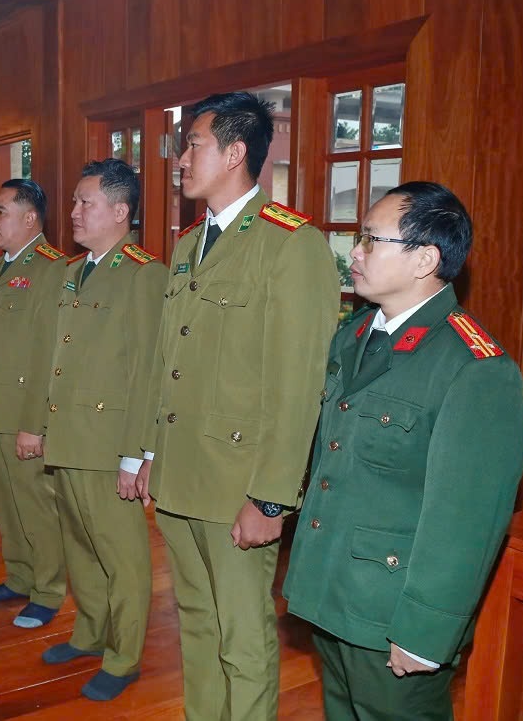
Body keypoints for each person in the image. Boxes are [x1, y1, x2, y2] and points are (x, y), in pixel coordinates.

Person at [283, 182, 523, 720]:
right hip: (334, 590)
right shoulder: (357, 335)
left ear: (425, 259)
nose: (357, 253)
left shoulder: (475, 368)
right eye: (358, 237)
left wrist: (425, 631)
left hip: (392, 611)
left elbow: (466, 523)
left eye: (372, 240)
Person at [137, 91, 340, 720]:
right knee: (196, 625)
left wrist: (272, 496)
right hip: (179, 474)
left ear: (235, 152)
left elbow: (298, 384)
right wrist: (148, 454)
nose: (179, 160)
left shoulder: (290, 244)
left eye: (191, 145)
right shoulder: (190, 242)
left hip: (236, 485)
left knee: (245, 636)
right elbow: (169, 362)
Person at [40, 159, 166, 702]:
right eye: (73, 201)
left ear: (120, 211)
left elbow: (148, 369)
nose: (73, 212)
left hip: (110, 439)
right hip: (69, 434)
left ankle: (125, 655)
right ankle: (91, 631)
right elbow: (60, 359)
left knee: (122, 556)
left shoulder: (143, 272)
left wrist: (138, 452)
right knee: (80, 545)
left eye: (84, 202)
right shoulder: (73, 271)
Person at [0, 179, 68, 628]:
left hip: (21, 413)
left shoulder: (52, 268)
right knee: (4, 503)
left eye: (2, 212)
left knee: (35, 507)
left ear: (30, 218)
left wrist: (34, 423)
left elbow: (48, 354)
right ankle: (19, 576)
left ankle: (48, 589)